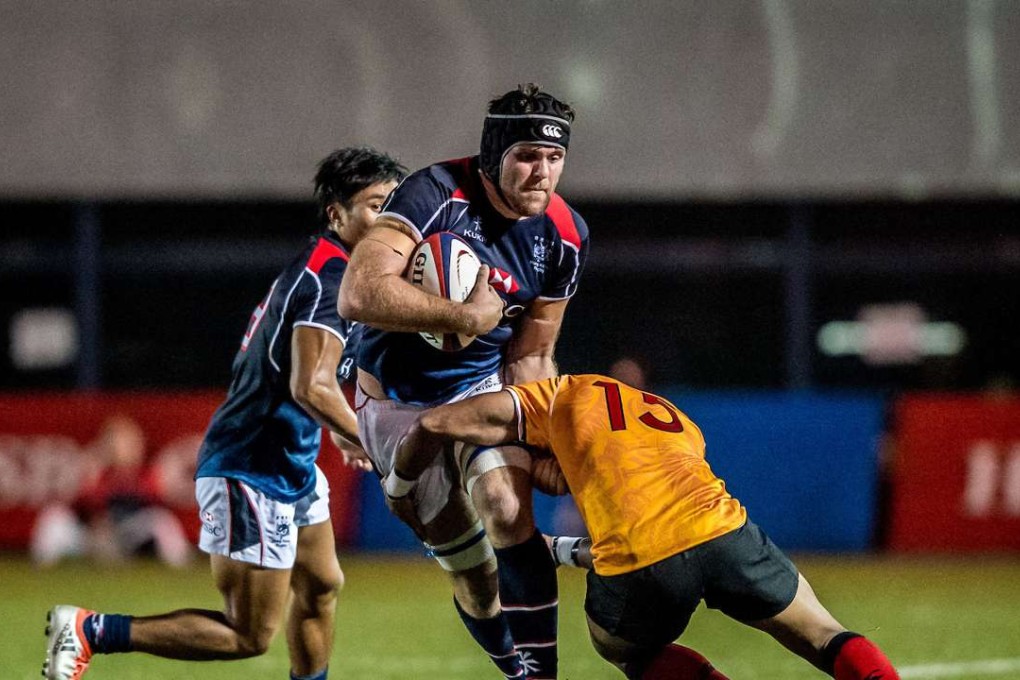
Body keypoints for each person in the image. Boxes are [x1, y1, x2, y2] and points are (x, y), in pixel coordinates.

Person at [43, 147, 407, 680]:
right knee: (247, 635)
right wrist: (376, 441)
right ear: (337, 214)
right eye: (377, 205)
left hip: (289, 464)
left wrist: (341, 431)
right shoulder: (328, 282)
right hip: (250, 467)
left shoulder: (334, 270)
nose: (391, 220)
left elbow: (304, 378)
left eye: (395, 206)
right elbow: (311, 385)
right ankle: (90, 630)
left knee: (321, 585)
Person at [384, 374, 901, 680]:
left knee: (617, 646)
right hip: (724, 529)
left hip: (644, 561)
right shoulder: (675, 417)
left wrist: (400, 485)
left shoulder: (556, 396)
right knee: (823, 632)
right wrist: (565, 536)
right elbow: (643, 492)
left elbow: (434, 423)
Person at [338, 83, 589, 679]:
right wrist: (465, 317)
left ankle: (540, 676)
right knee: (476, 580)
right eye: (528, 156)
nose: (542, 173)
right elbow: (357, 292)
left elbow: (534, 352)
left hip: (482, 388)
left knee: (506, 508)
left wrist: (542, 433)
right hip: (394, 404)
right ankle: (512, 664)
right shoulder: (434, 192)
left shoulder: (565, 234)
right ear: (493, 152)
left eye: (555, 159)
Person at [30, 414, 192, 569]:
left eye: (129, 441)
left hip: (126, 537)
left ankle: (179, 565)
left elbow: (156, 504)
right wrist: (95, 474)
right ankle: (43, 567)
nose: (123, 447)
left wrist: (128, 480)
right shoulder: (96, 470)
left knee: (161, 521)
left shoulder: (145, 473)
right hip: (93, 536)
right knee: (54, 516)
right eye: (117, 441)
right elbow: (80, 505)